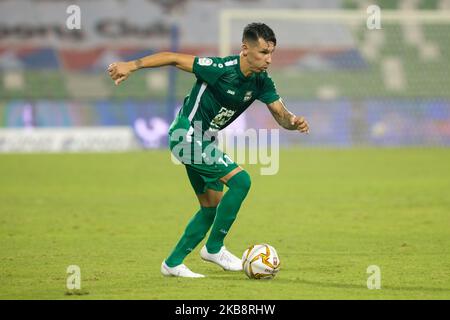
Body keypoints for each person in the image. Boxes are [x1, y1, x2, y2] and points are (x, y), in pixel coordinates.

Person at [108, 22, 309, 278]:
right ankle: (214, 248)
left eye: (271, 53)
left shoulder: (261, 82)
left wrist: (293, 122)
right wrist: (131, 65)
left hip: (205, 140)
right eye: (263, 53)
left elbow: (281, 115)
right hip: (186, 135)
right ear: (245, 49)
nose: (268, 59)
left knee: (210, 207)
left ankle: (172, 263)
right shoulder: (220, 69)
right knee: (241, 181)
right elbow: (172, 58)